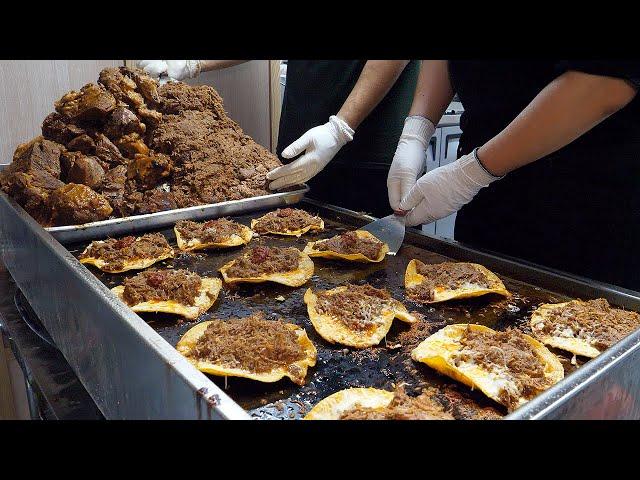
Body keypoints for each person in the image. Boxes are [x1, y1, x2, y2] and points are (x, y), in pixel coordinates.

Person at [388, 61, 640, 291]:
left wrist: (471, 173)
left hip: (585, 209)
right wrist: (417, 130)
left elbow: (607, 81)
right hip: (486, 201)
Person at [138, 60, 420, 217]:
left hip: (370, 156)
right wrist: (193, 64)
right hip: (299, 151)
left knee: (375, 286)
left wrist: (340, 128)